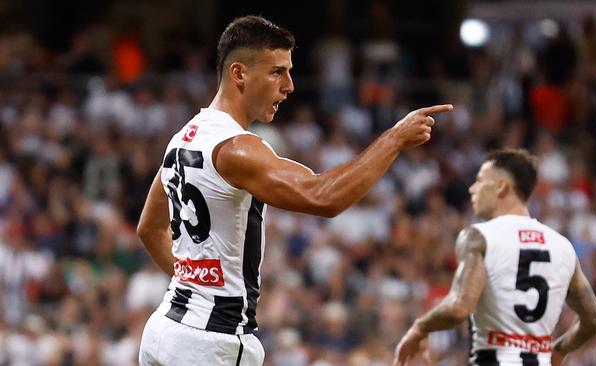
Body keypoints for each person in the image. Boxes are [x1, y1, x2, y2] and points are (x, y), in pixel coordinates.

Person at [136, 15, 453, 366]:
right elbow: (324, 197)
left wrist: (193, 284)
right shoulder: (237, 148)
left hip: (164, 329)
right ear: (239, 73)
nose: (288, 86)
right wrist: (393, 139)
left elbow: (149, 230)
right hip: (212, 343)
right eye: (277, 72)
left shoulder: (182, 138)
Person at [394, 148, 596, 366]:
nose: (472, 188)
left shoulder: (479, 236)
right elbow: (594, 320)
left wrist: (420, 327)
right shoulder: (562, 246)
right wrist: (559, 350)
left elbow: (459, 307)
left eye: (480, 181)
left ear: (501, 186)